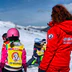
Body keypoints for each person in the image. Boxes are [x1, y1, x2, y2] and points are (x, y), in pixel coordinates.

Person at [38, 4, 72, 72]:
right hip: (65, 64)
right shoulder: (70, 29)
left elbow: (50, 50)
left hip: (53, 65)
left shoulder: (54, 30)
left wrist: (42, 67)